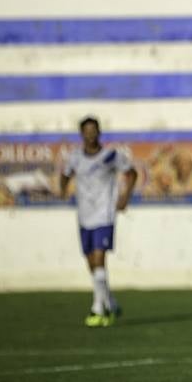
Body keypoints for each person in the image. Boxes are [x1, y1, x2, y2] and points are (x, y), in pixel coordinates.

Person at [59, 117, 138, 328]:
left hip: (104, 214)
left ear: (99, 132)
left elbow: (132, 173)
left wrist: (124, 197)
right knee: (92, 264)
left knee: (99, 259)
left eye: (94, 130)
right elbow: (65, 174)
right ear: (81, 134)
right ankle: (110, 302)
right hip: (84, 215)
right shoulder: (75, 157)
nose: (91, 134)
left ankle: (97, 309)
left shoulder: (110, 156)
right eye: (87, 131)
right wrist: (62, 190)